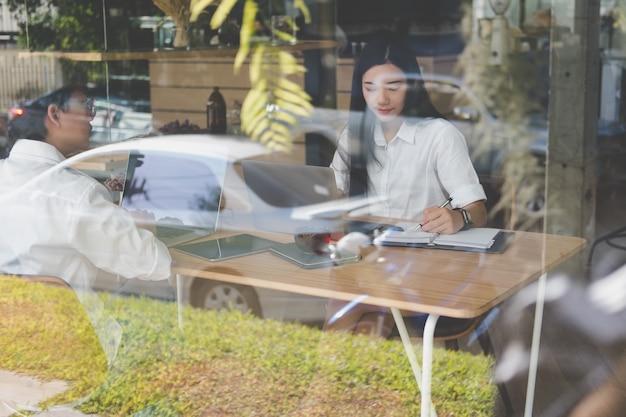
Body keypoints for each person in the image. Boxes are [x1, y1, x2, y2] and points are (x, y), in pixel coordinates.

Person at [325, 31, 488, 337]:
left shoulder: (439, 135)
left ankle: (329, 383)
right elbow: (332, 192)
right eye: (369, 88)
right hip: (372, 265)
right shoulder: (355, 135)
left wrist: (457, 217)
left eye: (393, 87)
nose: (380, 99)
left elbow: (478, 212)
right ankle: (347, 382)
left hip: (429, 270)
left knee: (354, 307)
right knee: (360, 316)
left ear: (412, 83)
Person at [0, 84, 171, 362]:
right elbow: (153, 262)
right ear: (54, 115)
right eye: (87, 106)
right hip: (77, 359)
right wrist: (144, 227)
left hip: (11, 360)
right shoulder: (74, 194)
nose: (93, 116)